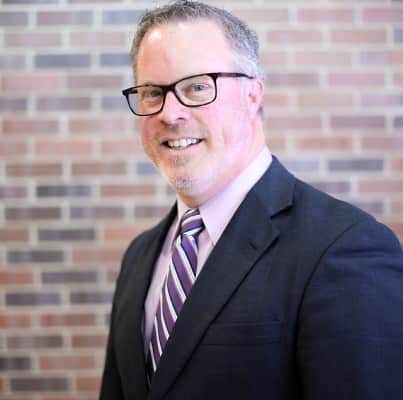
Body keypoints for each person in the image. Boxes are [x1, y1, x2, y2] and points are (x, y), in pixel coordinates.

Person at [99, 1, 403, 399]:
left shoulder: (344, 248)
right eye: (153, 93)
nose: (170, 114)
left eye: (197, 87)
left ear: (252, 94)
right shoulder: (139, 257)